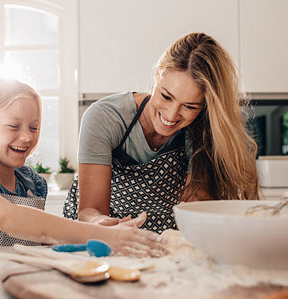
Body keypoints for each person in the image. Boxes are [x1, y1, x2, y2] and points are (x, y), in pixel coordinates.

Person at [0, 78, 168, 257]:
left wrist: (99, 228)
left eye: (34, 127)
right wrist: (103, 235)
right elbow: (8, 217)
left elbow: (40, 237)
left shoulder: (31, 184)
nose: (27, 136)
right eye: (13, 125)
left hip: (19, 285)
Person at [63, 32, 260, 234]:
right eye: (166, 96)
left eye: (190, 106)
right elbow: (90, 210)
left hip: (167, 235)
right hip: (99, 234)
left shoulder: (202, 129)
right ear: (157, 74)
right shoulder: (105, 118)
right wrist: (104, 225)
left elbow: (196, 205)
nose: (171, 115)